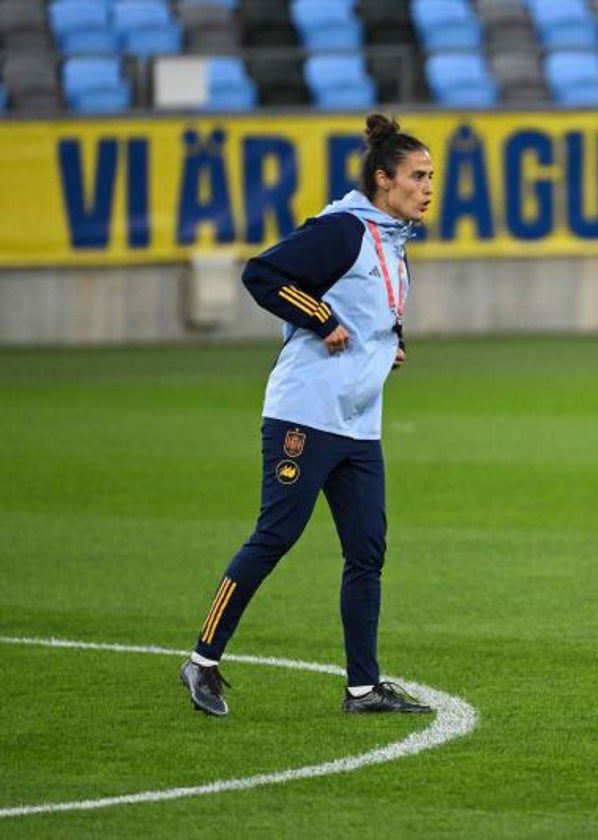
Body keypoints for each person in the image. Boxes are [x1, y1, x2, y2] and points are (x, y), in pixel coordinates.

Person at [180, 114, 435, 717]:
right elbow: (262, 273)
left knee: (367, 550)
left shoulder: (393, 247)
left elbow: (368, 314)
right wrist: (321, 320)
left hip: (358, 424)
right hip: (305, 412)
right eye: (417, 176)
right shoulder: (344, 229)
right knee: (276, 536)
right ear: (383, 180)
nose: (428, 187)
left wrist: (385, 346)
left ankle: (362, 689)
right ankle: (202, 661)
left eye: (431, 176)